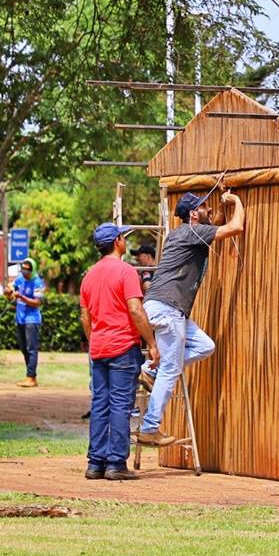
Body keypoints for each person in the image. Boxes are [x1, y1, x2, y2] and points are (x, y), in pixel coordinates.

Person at [135, 188, 244, 447]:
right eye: (204, 207)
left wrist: (219, 206)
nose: (209, 210)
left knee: (206, 346)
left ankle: (152, 369)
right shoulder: (193, 232)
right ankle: (150, 427)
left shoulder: (186, 233)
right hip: (168, 308)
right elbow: (236, 227)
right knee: (172, 369)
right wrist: (237, 201)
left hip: (167, 309)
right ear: (194, 214)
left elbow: (215, 222)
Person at [79, 223, 161, 481]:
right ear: (117, 242)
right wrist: (152, 343)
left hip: (99, 348)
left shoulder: (89, 275)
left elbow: (85, 316)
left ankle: (95, 464)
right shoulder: (126, 272)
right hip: (123, 348)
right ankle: (116, 464)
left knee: (100, 404)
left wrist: (96, 340)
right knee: (120, 405)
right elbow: (136, 310)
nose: (126, 241)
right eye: (123, 238)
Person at [5, 257, 44, 388]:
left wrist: (21, 297)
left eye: (27, 271)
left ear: (32, 271)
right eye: (23, 270)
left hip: (32, 319)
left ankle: (31, 377)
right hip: (20, 318)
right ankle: (31, 375)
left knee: (31, 349)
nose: (24, 273)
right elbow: (11, 288)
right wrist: (8, 291)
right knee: (23, 348)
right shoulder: (20, 279)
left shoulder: (38, 282)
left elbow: (37, 303)